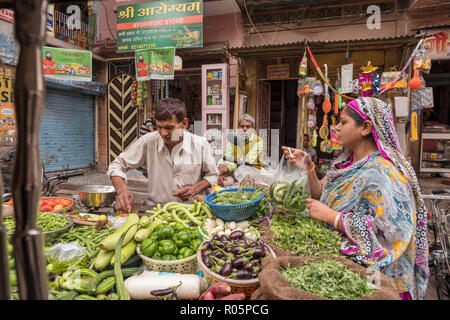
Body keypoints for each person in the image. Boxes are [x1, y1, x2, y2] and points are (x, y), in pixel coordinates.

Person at [281, 97, 429, 300]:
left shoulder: (385, 174)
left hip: (377, 282)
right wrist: (309, 167)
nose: (336, 128)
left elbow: (392, 234)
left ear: (366, 127)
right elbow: (321, 196)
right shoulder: (344, 164)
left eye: (343, 122)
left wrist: (334, 218)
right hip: (343, 269)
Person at [108, 98, 219, 211]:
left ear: (184, 123)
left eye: (169, 128)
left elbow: (213, 175)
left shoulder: (200, 144)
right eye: (159, 127)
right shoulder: (148, 141)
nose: (163, 133)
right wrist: (122, 190)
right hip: (156, 209)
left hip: (192, 209)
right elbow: (117, 165)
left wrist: (194, 189)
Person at [217, 114, 264, 187]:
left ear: (252, 129)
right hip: (235, 173)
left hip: (252, 174)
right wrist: (219, 172)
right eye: (242, 126)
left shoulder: (258, 141)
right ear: (238, 127)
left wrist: (228, 168)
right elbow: (226, 156)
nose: (245, 129)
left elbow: (247, 160)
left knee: (245, 187)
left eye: (248, 126)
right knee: (220, 182)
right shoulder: (234, 139)